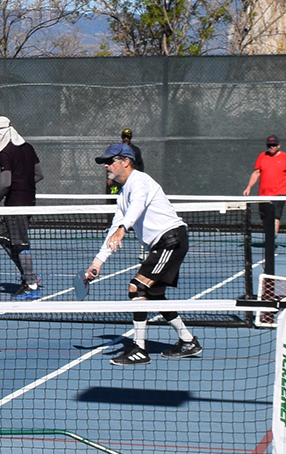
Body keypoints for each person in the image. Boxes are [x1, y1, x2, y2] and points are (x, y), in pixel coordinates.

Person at [84, 141, 202, 366]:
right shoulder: (122, 195)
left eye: (110, 161)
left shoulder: (140, 181)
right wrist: (97, 262)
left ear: (125, 162)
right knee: (154, 294)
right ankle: (188, 341)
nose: (106, 166)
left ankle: (139, 349)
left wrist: (123, 228)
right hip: (163, 245)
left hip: (171, 241)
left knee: (137, 287)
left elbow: (137, 207)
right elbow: (114, 231)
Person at [0, 116, 43, 298]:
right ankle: (28, 274)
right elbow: (39, 175)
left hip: (15, 206)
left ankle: (31, 285)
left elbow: (5, 183)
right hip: (29, 202)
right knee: (2, 235)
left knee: (21, 243)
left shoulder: (5, 153)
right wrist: (24, 185)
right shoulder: (29, 148)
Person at [243, 134, 286, 237]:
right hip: (263, 194)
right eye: (269, 145)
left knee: (275, 217)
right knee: (264, 217)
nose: (272, 147)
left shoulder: (285, 157)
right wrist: (248, 187)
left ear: (279, 145)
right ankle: (268, 238)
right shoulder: (262, 156)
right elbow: (256, 173)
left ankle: (271, 240)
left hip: (279, 193)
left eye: (274, 145)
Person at [105, 128, 145, 195]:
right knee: (113, 194)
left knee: (130, 194)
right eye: (124, 137)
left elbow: (140, 164)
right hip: (117, 178)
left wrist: (139, 177)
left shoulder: (135, 150)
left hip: (129, 178)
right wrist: (109, 178)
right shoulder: (117, 149)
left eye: (128, 137)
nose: (126, 139)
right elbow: (110, 163)